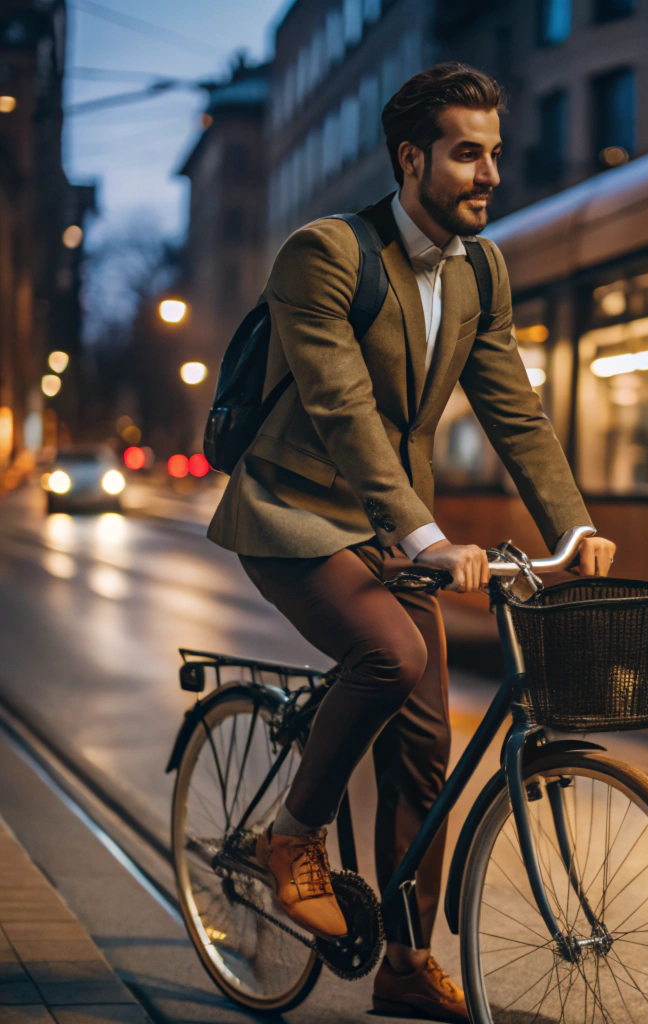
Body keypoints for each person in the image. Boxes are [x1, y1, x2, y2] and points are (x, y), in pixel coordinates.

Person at [207, 63, 615, 1022]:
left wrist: (577, 525)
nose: (489, 176)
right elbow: (342, 409)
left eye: (494, 155)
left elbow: (515, 413)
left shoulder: (482, 270)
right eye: (467, 154)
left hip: (391, 529)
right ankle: (290, 835)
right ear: (412, 157)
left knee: (428, 750)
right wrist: (428, 535)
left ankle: (401, 959)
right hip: (295, 510)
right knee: (388, 654)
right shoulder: (325, 255)